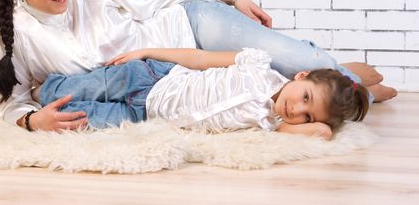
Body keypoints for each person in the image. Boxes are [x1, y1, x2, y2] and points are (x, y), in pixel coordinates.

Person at [0, 0, 395, 132]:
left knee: (311, 66)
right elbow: (11, 101)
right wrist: (32, 123)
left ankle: (355, 85)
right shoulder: (9, 35)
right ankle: (360, 89)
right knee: (313, 77)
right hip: (163, 82)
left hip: (189, 27)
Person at [32, 47, 370, 140]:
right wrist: (147, 52)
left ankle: (42, 109)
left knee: (75, 119)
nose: (296, 110)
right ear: (301, 75)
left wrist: (320, 121)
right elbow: (198, 58)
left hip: (143, 116)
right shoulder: (257, 63)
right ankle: (33, 91)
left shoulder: (270, 123)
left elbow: (323, 132)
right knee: (63, 90)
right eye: (305, 97)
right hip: (152, 79)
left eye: (306, 115)